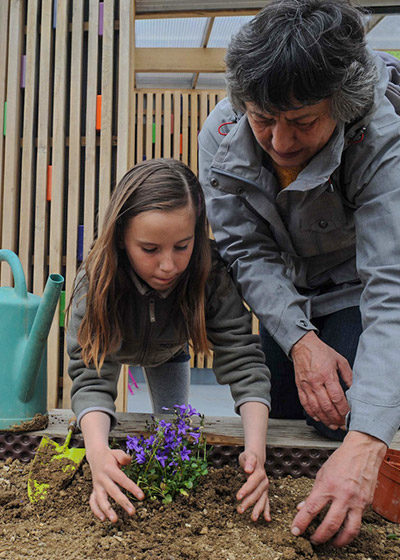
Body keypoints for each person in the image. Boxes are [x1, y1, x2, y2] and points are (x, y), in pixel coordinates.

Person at [198, 0, 400, 548]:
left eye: (304, 122)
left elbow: (391, 290)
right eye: (263, 120)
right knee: (287, 408)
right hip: (282, 294)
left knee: (352, 420)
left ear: (344, 104)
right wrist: (299, 341)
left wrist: (364, 442)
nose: (281, 143)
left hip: (356, 288)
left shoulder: (381, 137)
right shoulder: (220, 134)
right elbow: (246, 249)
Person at [67, 158, 271, 525]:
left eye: (182, 246)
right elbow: (91, 376)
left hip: (171, 348)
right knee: (98, 432)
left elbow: (243, 360)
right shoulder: (97, 281)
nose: (168, 266)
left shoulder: (209, 274)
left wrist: (255, 451)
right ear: (121, 239)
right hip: (115, 341)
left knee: (173, 431)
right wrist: (97, 453)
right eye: (149, 250)